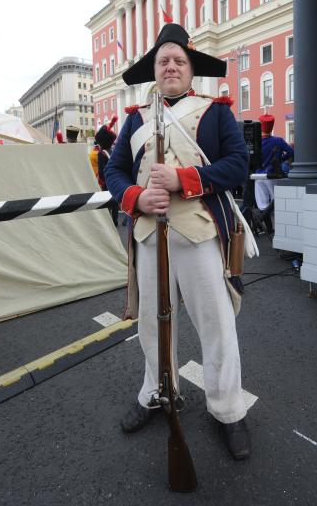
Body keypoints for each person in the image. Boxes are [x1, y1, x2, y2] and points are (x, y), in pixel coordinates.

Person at [104, 23, 252, 460]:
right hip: (150, 235)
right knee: (152, 325)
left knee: (217, 325)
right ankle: (155, 392)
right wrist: (137, 197)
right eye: (163, 61)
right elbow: (114, 174)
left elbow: (236, 165)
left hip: (199, 232)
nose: (170, 67)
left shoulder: (215, 111)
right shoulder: (134, 119)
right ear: (155, 70)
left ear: (190, 70)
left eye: (179, 61)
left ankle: (228, 410)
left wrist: (183, 179)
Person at [254, 114, 294, 234]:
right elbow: (292, 152)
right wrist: (281, 159)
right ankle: (278, 230)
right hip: (273, 175)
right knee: (276, 202)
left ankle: (269, 229)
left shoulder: (256, 142)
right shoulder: (278, 140)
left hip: (258, 176)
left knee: (262, 205)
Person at [94, 116, 119, 226]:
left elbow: (101, 169)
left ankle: (109, 221)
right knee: (114, 201)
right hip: (115, 180)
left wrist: (102, 181)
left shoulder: (101, 153)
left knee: (107, 202)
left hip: (106, 182)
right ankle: (115, 220)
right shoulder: (113, 150)